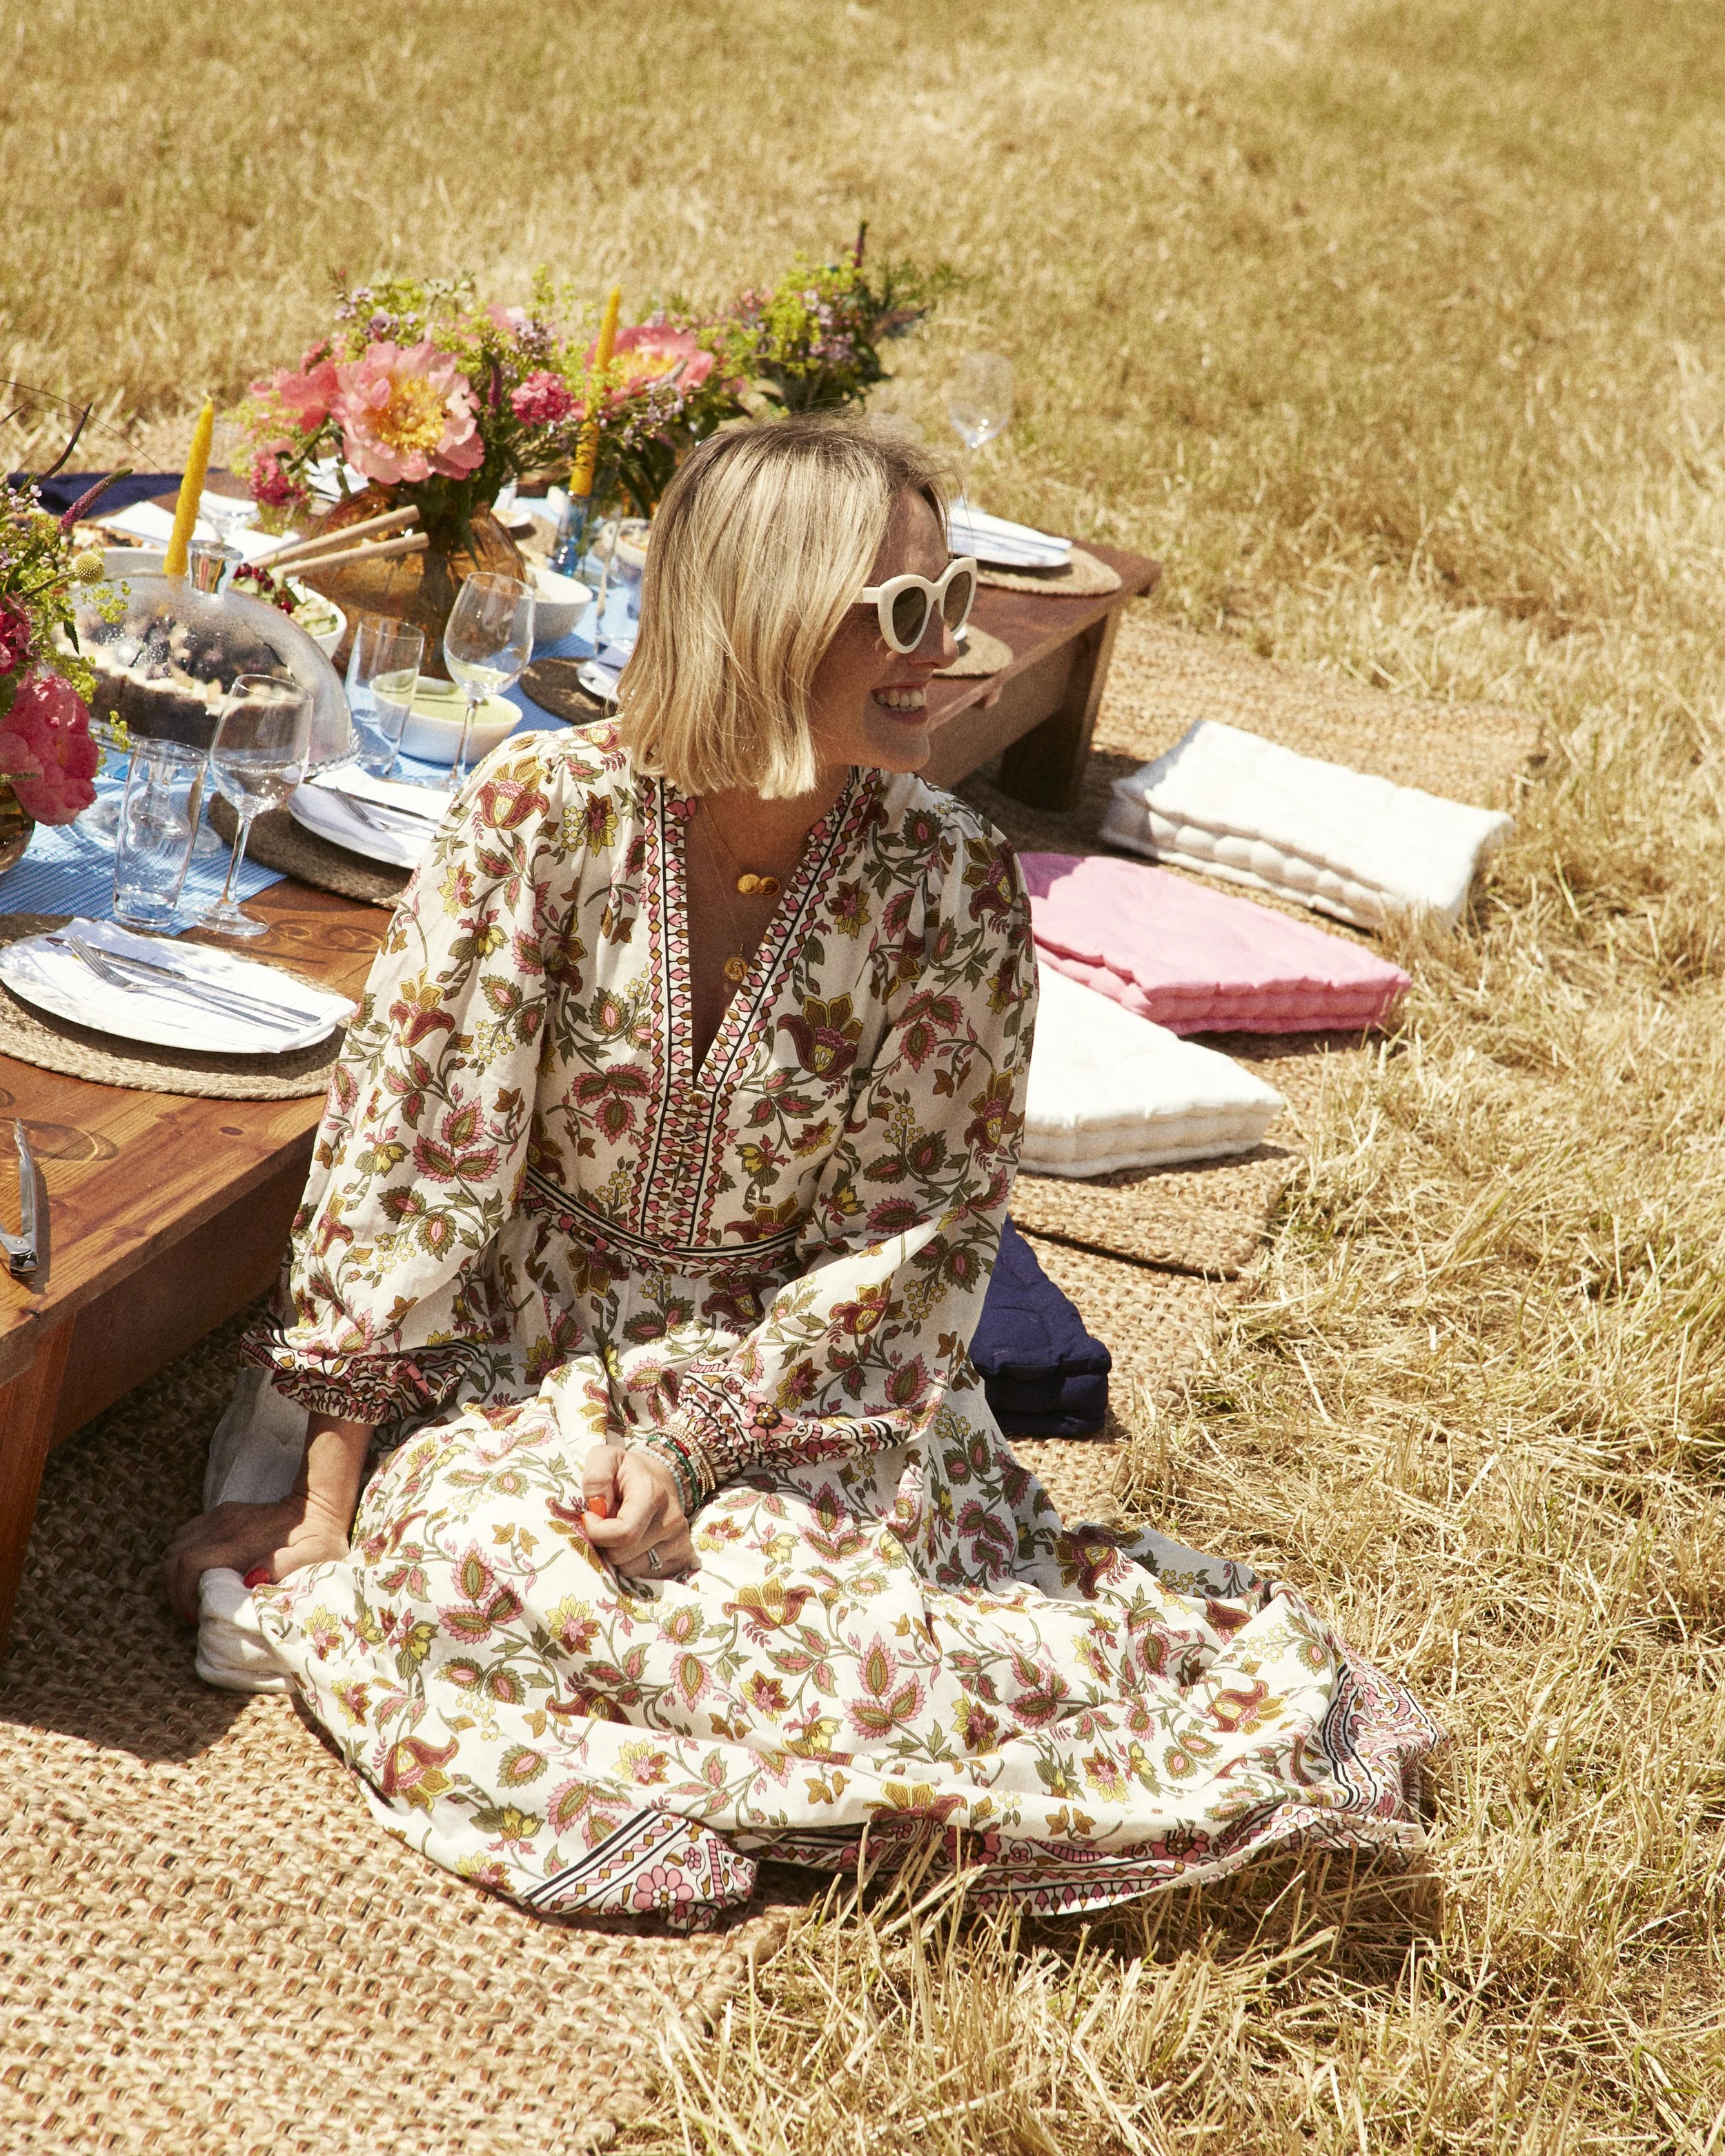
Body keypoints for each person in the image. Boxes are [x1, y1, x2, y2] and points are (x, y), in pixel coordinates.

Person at [166, 415, 1438, 1929]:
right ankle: (679, 1759)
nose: (946, 649)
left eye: (949, 602)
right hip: (517, 1359)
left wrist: (699, 1446)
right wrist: (327, 1496)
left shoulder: (950, 877)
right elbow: (407, 1163)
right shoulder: (536, 817)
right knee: (466, 1559)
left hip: (817, 1386)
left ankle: (764, 1772)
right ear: (766, 616)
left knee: (861, 1626)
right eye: (901, 612)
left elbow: (918, 1240)